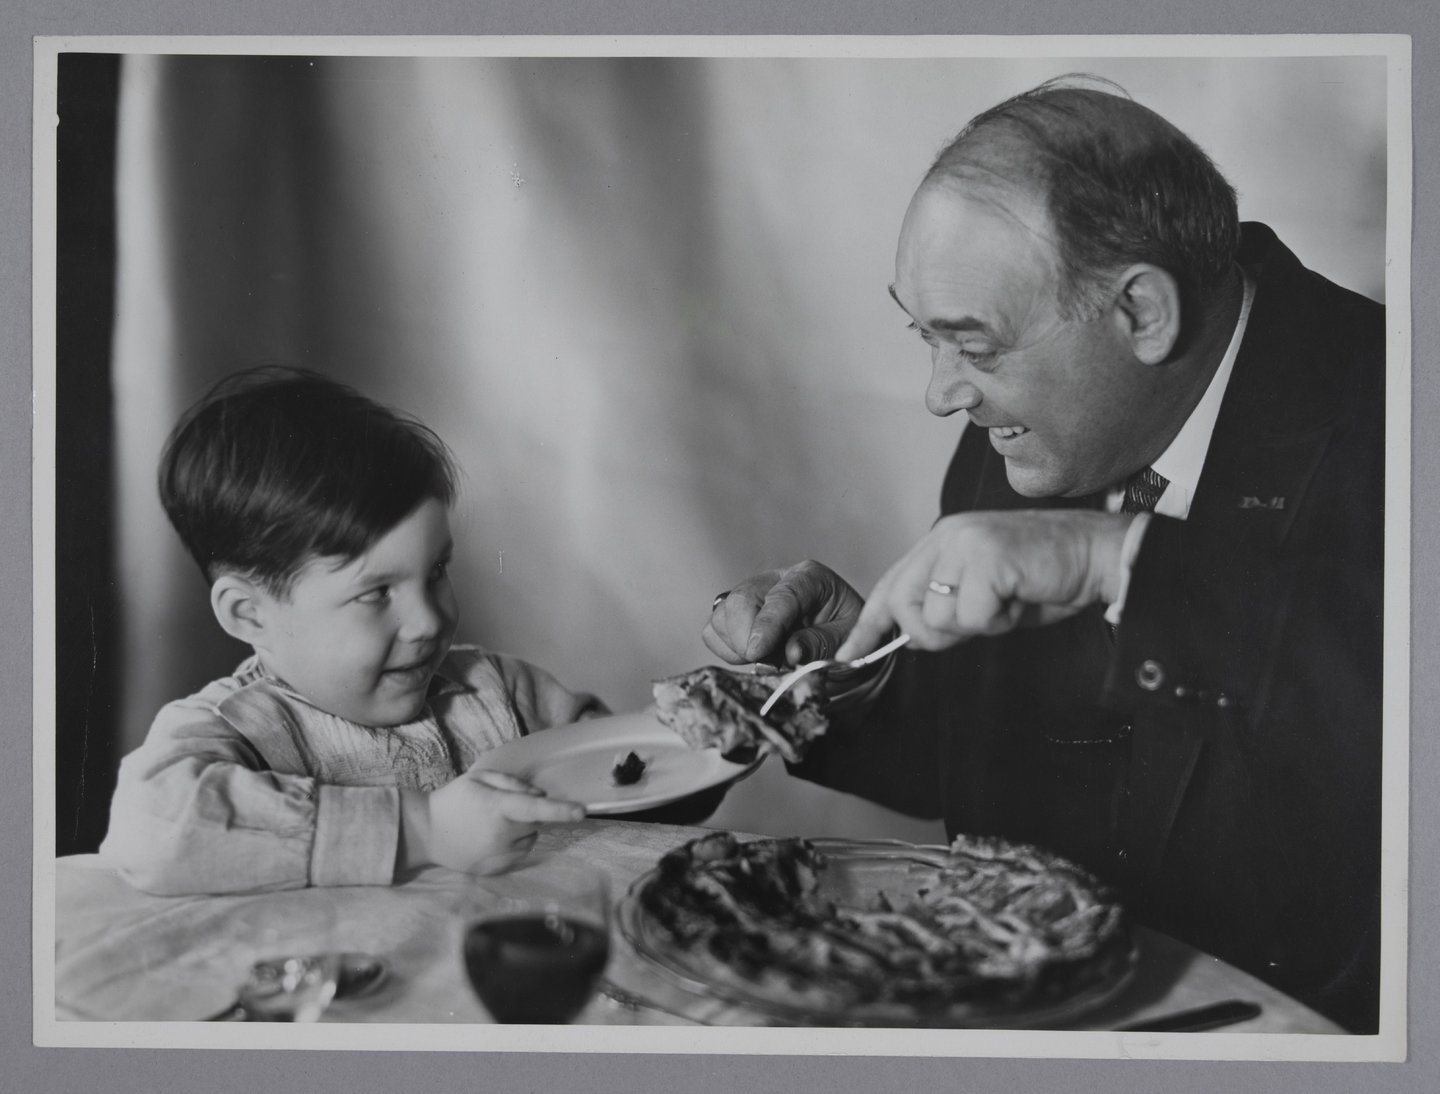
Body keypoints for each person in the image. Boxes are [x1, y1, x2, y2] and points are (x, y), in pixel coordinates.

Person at [704, 78, 1384, 1033]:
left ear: (1143, 312)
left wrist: (1114, 563)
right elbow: (1037, 768)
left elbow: (1378, 747)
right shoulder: (1035, 429)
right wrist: (843, 679)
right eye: (925, 336)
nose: (942, 395)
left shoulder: (1402, 408)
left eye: (973, 347)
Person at [100, 368, 601, 895]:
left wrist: (693, 733)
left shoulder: (503, 692)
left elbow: (645, 778)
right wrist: (424, 830)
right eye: (375, 593)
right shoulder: (234, 730)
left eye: (435, 572)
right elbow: (153, 829)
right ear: (249, 614)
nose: (428, 621)